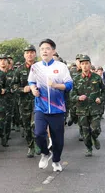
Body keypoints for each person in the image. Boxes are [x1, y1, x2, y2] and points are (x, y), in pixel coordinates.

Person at [28, 39, 73, 172]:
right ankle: (45, 153)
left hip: (57, 108)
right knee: (38, 133)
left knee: (58, 139)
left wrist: (55, 85)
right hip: (40, 107)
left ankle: (56, 161)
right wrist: (33, 89)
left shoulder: (61, 67)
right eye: (42, 49)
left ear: (53, 51)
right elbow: (31, 81)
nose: (44, 51)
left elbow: (69, 85)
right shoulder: (35, 67)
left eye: (47, 48)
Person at [70, 55, 105, 156]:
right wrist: (78, 98)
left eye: (87, 63)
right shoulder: (76, 79)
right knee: (85, 132)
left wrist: (101, 98)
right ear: (80, 66)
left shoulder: (97, 77)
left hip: (95, 108)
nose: (85, 66)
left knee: (96, 129)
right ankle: (89, 148)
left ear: (90, 64)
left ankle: (94, 137)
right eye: (82, 64)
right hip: (82, 110)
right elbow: (71, 95)